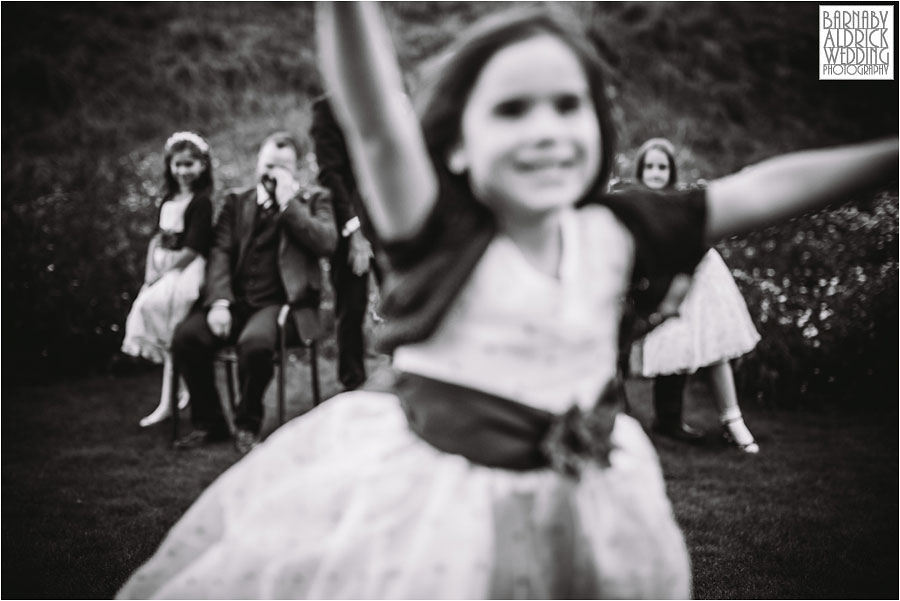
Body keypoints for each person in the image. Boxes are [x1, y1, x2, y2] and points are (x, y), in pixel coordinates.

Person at [117, 4, 897, 598]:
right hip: (439, 507)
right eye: (513, 110)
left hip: (589, 498)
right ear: (455, 143)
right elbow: (375, 114)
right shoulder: (433, 226)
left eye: (568, 105)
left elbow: (760, 189)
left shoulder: (618, 227)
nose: (546, 129)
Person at [169, 132, 336, 454]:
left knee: (255, 345)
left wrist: (289, 205)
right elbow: (219, 252)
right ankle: (211, 422)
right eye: (269, 164)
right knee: (187, 337)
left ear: (296, 169)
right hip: (235, 301)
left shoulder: (314, 200)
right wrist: (219, 302)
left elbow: (326, 243)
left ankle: (247, 423)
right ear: (258, 163)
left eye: (283, 166)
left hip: (284, 305)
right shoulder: (237, 202)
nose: (273, 172)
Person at [627, 138, 762, 452]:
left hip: (700, 278)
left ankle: (733, 421)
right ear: (641, 170)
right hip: (662, 278)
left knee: (714, 345)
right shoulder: (635, 202)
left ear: (671, 171)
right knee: (669, 344)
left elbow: (700, 236)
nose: (656, 173)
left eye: (662, 166)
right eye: (650, 166)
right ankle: (665, 421)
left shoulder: (680, 199)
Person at [121, 131, 214, 428]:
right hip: (164, 266)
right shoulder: (169, 199)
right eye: (178, 165)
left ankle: (172, 396)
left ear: (202, 166)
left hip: (186, 270)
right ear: (170, 167)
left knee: (167, 319)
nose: (183, 171)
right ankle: (174, 391)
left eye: (189, 164)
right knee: (148, 310)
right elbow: (158, 238)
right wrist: (152, 269)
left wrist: (167, 270)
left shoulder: (201, 202)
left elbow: (194, 247)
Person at [310, 94, 377, 392]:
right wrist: (356, 230)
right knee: (351, 307)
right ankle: (354, 384)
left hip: (388, 217)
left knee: (404, 297)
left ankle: (410, 375)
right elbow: (330, 173)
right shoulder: (326, 110)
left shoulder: (385, 99)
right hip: (349, 223)